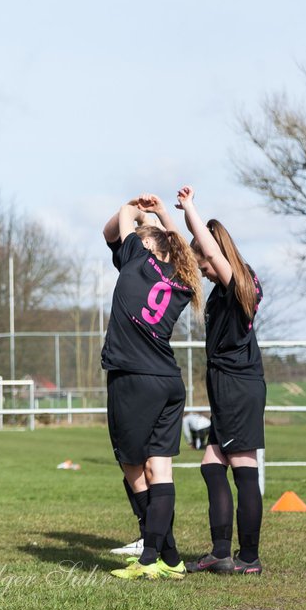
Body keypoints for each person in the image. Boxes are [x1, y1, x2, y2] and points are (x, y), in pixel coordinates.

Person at [101, 195, 202, 580]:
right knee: (160, 469)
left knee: (132, 467)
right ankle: (171, 557)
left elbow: (118, 219)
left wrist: (137, 208)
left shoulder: (137, 259)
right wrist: (160, 216)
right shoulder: (182, 277)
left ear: (145, 244)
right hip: (168, 381)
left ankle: (149, 557)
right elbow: (173, 246)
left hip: (133, 378)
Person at [177, 186, 266, 575]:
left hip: (238, 387)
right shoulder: (221, 291)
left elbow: (210, 252)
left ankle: (248, 557)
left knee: (243, 466)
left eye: (206, 264)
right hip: (227, 387)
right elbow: (199, 250)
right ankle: (221, 551)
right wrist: (171, 216)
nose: (203, 270)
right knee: (213, 466)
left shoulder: (238, 284)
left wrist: (191, 206)